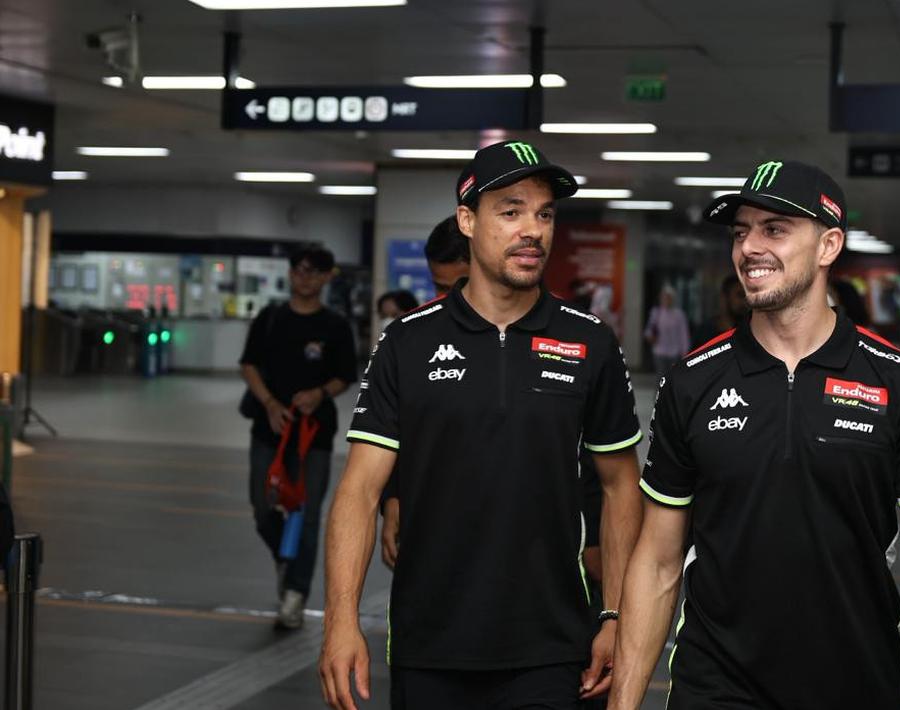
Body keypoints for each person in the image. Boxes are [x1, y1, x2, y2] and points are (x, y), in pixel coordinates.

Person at [611, 160, 900, 709]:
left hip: (852, 684)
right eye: (741, 232)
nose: (750, 248)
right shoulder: (692, 381)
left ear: (828, 246)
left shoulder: (899, 381)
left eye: (774, 229)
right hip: (716, 686)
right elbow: (658, 560)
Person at [319, 140, 644, 710]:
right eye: (511, 211)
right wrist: (340, 619)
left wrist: (616, 615)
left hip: (551, 645)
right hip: (430, 642)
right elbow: (359, 490)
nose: (533, 230)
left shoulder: (589, 341)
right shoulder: (407, 341)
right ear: (467, 221)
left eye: (544, 215)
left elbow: (620, 486)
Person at [239, 245, 357, 630]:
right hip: (269, 430)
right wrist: (270, 404)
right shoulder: (270, 318)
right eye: (300, 270)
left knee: (306, 516)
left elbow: (345, 375)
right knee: (262, 507)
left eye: (314, 272)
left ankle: (295, 593)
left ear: (326, 278)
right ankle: (285, 559)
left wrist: (319, 394)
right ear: (290, 274)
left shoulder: (335, 325)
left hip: (313, 434)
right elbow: (248, 365)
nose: (305, 278)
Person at [377, 215, 470, 571]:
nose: (450, 300)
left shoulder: (551, 337)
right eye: (440, 288)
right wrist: (393, 496)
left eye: (461, 286)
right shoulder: (412, 337)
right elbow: (396, 430)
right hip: (432, 520)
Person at [643, 285, 691, 377]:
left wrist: (685, 352)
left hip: (674, 352)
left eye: (668, 298)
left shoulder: (679, 315)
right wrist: (650, 337)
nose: (666, 300)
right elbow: (649, 329)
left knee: (673, 377)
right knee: (661, 377)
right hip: (659, 351)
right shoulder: (656, 313)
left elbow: (683, 334)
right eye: (664, 297)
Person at [693, 274, 748, 348]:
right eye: (740, 295)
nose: (744, 302)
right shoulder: (705, 332)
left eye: (746, 296)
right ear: (724, 298)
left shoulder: (749, 332)